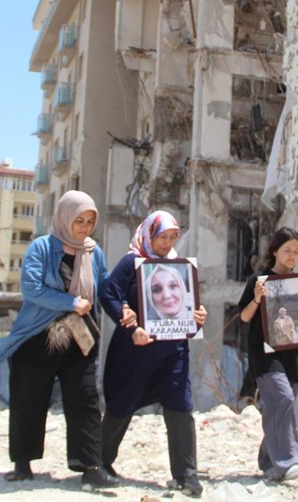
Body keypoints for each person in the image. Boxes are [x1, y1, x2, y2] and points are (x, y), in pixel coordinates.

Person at [0, 191, 118, 491]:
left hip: (79, 339)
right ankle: (23, 464)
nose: (85, 227)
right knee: (29, 400)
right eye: (79, 221)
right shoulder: (42, 248)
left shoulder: (93, 252)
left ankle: (90, 466)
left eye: (90, 221)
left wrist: (127, 310)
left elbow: (106, 288)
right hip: (38, 337)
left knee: (85, 400)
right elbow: (32, 288)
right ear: (64, 217)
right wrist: (70, 302)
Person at [100, 211, 207, 497]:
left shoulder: (178, 266)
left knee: (180, 403)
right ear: (149, 235)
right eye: (162, 237)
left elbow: (187, 306)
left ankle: (187, 474)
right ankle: (100, 463)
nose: (167, 243)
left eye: (173, 237)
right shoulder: (132, 262)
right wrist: (129, 324)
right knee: (123, 402)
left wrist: (198, 316)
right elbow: (108, 293)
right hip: (136, 350)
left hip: (174, 350)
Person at [237, 227, 298, 481]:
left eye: (297, 251)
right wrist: (257, 299)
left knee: (279, 407)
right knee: (282, 399)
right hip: (265, 355)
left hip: (292, 355)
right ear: (275, 251)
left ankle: (268, 461)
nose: (292, 256)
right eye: (287, 250)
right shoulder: (258, 281)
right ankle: (289, 461)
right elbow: (244, 316)